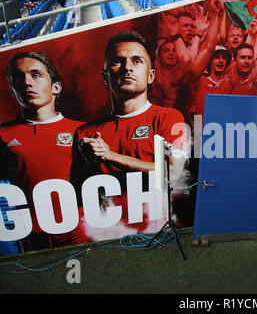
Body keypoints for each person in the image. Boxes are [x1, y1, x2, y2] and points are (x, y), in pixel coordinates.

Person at [69, 30, 187, 239]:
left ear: (151, 76)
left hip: (159, 234)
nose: (127, 67)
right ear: (105, 76)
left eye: (137, 61)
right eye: (117, 61)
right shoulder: (84, 132)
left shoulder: (168, 118)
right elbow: (76, 194)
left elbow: (173, 173)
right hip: (107, 238)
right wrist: (89, 162)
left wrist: (110, 156)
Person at [0, 52, 87, 252]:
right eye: (18, 78)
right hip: (28, 238)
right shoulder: (2, 134)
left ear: (56, 87)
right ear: (13, 92)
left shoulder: (83, 130)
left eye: (36, 75)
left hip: (79, 234)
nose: (27, 83)